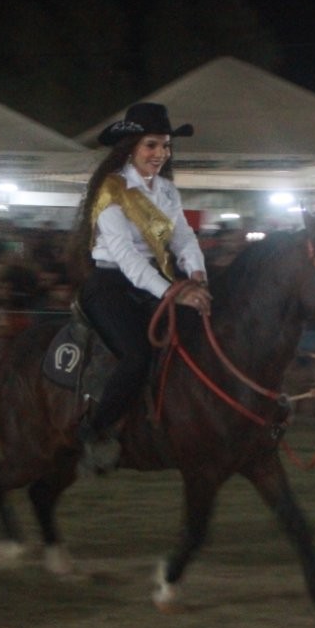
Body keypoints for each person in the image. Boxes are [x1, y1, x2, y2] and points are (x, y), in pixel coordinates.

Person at [67, 103, 211, 471]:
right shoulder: (111, 190)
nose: (160, 153)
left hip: (154, 282)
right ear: (131, 146)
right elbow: (127, 258)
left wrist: (197, 274)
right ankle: (94, 431)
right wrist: (173, 291)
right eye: (151, 145)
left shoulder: (167, 191)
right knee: (137, 355)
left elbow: (183, 238)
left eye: (165, 145)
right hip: (110, 285)